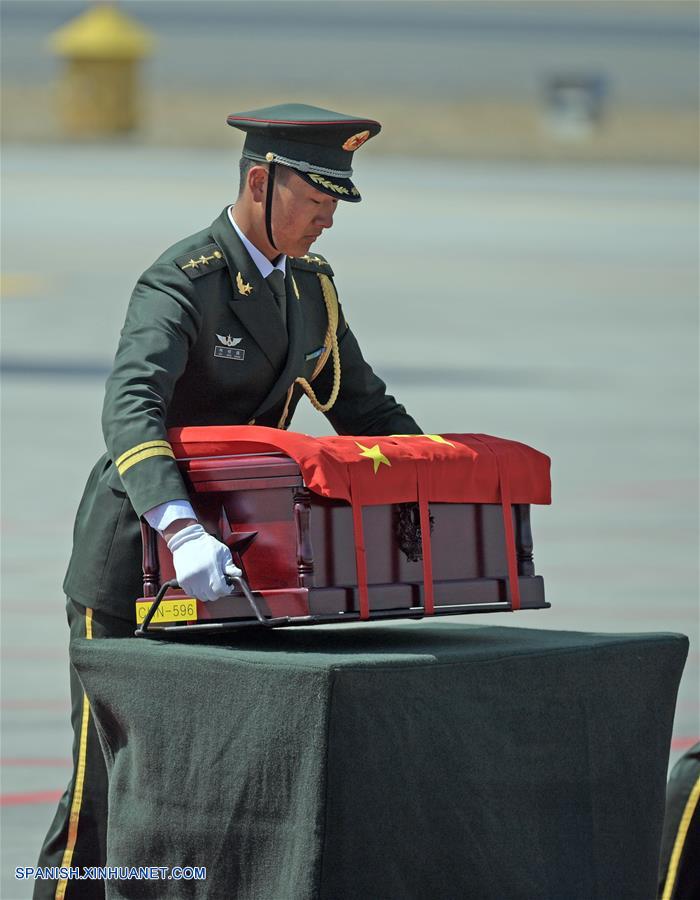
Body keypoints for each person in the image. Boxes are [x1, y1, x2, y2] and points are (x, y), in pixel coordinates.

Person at [34, 103, 421, 898]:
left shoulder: (310, 292)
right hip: (138, 564)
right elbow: (131, 409)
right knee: (104, 792)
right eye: (314, 203)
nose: (325, 223)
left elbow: (366, 413)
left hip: (241, 573)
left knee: (202, 793)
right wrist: (178, 526)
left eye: (331, 207)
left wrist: (432, 479)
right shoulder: (182, 282)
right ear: (258, 181)